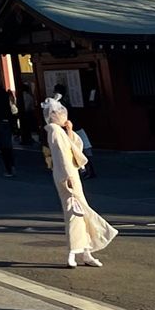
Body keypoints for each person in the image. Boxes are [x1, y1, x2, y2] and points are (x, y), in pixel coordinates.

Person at [43, 100, 116, 269]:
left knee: (79, 211)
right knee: (73, 211)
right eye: (60, 112)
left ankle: (84, 252)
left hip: (70, 173)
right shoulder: (53, 130)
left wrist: (69, 130)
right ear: (53, 115)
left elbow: (73, 146)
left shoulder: (59, 131)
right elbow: (61, 154)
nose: (63, 115)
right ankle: (75, 251)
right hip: (66, 174)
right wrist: (67, 175)